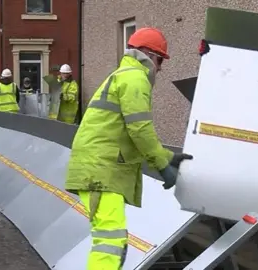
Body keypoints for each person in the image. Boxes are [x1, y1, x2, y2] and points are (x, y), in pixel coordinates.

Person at [64, 27, 193, 269]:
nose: (161, 68)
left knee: (113, 240)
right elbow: (140, 129)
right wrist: (162, 165)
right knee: (109, 240)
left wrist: (165, 156)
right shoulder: (135, 77)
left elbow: (130, 130)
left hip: (100, 169)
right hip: (102, 172)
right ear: (146, 54)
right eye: (159, 60)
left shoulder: (123, 75)